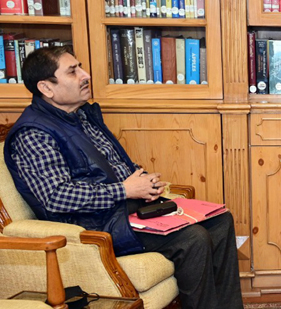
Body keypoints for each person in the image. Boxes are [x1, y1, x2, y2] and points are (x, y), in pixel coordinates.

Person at [4, 46, 244, 309]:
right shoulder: (33, 134)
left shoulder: (81, 116)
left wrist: (143, 181)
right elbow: (55, 197)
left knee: (221, 221)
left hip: (122, 210)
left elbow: (108, 166)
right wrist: (125, 190)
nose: (85, 75)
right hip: (93, 226)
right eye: (73, 72)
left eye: (81, 67)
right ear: (46, 88)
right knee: (193, 239)